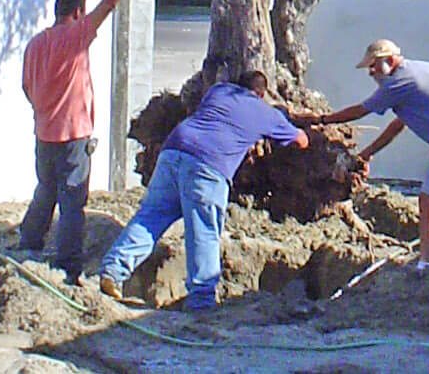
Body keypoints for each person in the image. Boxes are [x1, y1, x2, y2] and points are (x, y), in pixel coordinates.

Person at [98, 68, 309, 310]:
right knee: (204, 231)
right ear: (261, 94)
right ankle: (201, 299)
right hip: (208, 167)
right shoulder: (265, 113)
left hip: (173, 152)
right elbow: (301, 140)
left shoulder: (219, 91)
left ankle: (112, 271)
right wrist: (287, 120)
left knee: (150, 218)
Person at [315, 38, 429, 274]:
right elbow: (397, 126)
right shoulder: (422, 69)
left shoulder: (396, 84)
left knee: (428, 200)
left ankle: (426, 265)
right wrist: (366, 154)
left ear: (389, 60)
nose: (371, 72)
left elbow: (360, 111)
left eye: (373, 66)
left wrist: (321, 120)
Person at [16, 0, 134, 283]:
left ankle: (30, 243)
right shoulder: (77, 35)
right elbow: (111, 1)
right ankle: (68, 266)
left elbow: (26, 87)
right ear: (78, 11)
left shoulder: (36, 44)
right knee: (72, 203)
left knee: (45, 191)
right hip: (73, 135)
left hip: (44, 133)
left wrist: (43, 111)